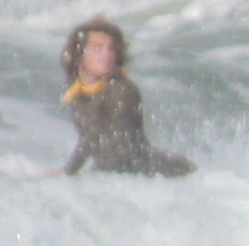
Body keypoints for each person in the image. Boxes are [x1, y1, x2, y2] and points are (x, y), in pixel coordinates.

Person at [61, 17, 195, 176]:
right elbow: (91, 139)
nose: (107, 54)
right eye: (98, 48)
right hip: (123, 175)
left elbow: (111, 142)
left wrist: (70, 171)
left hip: (155, 172)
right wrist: (70, 171)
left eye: (111, 49)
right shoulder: (77, 91)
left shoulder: (122, 90)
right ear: (78, 55)